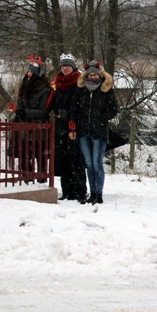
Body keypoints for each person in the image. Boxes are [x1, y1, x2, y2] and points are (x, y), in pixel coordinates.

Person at [70, 60, 119, 205]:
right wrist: (75, 125)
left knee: (97, 164)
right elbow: (74, 109)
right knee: (89, 164)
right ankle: (92, 193)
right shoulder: (81, 90)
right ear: (86, 75)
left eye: (95, 74)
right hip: (84, 131)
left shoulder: (106, 90)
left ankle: (99, 193)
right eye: (90, 75)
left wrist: (101, 118)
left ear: (99, 75)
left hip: (99, 132)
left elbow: (114, 109)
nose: (92, 77)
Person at [9, 55, 53, 182]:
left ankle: (41, 180)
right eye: (28, 71)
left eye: (31, 72)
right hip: (24, 127)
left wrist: (24, 112)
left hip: (39, 129)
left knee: (41, 156)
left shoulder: (45, 90)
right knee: (24, 156)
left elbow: (44, 111)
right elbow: (21, 106)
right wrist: (18, 111)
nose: (28, 74)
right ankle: (26, 180)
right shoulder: (25, 88)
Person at [50, 53, 88, 201]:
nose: (65, 68)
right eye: (63, 66)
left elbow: (80, 106)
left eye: (68, 66)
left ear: (73, 67)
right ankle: (67, 191)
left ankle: (80, 191)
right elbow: (53, 102)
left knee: (76, 160)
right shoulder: (57, 83)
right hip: (60, 126)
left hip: (74, 126)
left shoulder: (79, 83)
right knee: (62, 159)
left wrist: (71, 119)